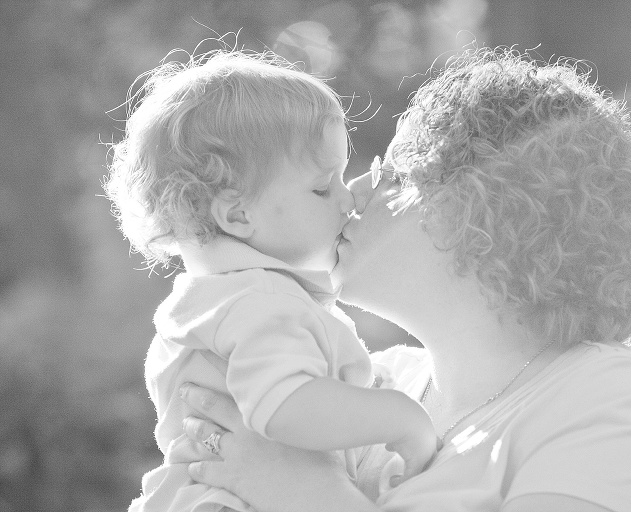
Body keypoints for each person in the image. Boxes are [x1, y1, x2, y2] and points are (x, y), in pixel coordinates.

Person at [177, 47, 631, 512]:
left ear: (485, 205)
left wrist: (305, 494)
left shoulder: (621, 403)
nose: (355, 192)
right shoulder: (354, 387)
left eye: (393, 171)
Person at [103, 50, 437, 512]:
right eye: (323, 187)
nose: (347, 198)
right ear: (238, 214)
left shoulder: (214, 299)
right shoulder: (260, 301)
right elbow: (285, 406)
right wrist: (402, 419)